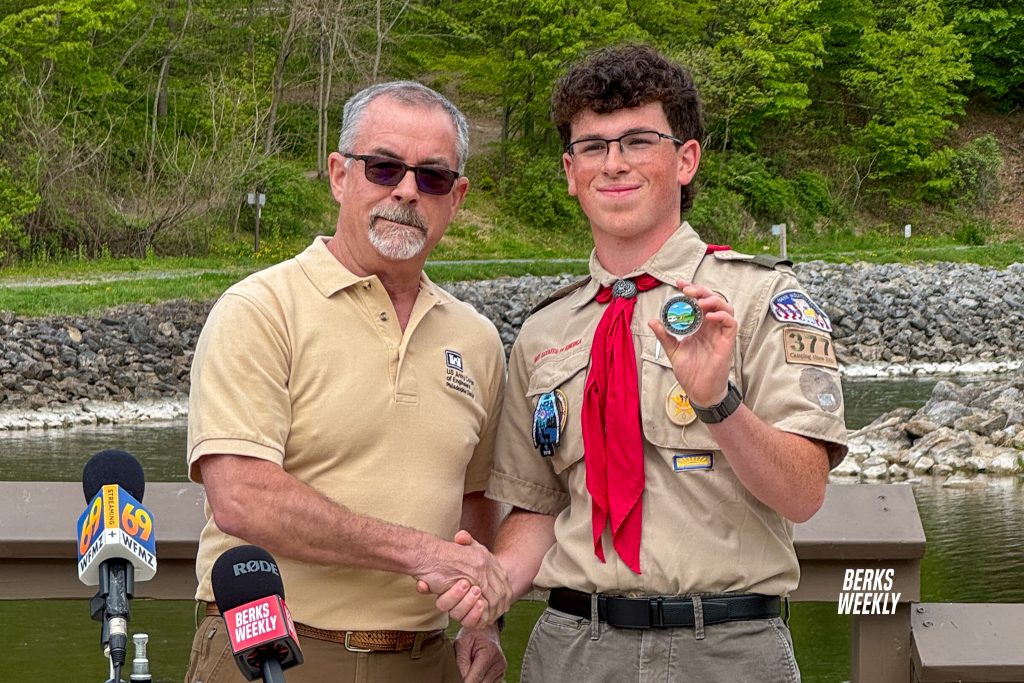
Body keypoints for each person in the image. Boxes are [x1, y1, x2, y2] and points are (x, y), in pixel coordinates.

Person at [438, 44, 848, 681]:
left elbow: (803, 492)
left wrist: (719, 402)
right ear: (570, 172)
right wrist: (488, 602)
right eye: (594, 147)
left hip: (728, 649)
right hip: (573, 650)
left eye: (637, 141)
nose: (615, 164)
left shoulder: (757, 300)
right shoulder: (547, 331)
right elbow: (538, 510)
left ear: (685, 160)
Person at [184, 80, 511, 683]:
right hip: (273, 655)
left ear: (457, 197)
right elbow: (241, 496)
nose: (407, 191)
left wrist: (480, 623)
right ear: (339, 175)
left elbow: (476, 498)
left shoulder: (479, 340)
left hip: (429, 662)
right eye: (383, 168)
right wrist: (421, 554)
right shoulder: (260, 309)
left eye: (432, 177)